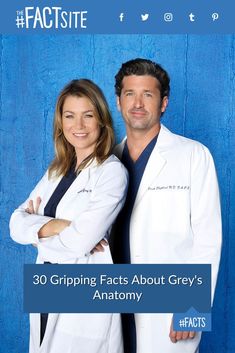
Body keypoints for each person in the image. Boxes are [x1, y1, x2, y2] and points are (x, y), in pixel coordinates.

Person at [110, 58, 222, 353]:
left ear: (163, 103)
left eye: (148, 94)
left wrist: (192, 310)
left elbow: (208, 240)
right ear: (118, 102)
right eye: (130, 94)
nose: (137, 103)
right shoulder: (106, 162)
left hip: (170, 314)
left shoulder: (193, 156)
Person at [9, 79, 128, 353]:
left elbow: (80, 243)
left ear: (101, 120)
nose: (79, 126)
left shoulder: (111, 173)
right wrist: (62, 226)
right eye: (70, 116)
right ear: (60, 123)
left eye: (88, 115)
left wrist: (37, 233)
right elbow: (15, 224)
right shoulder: (56, 171)